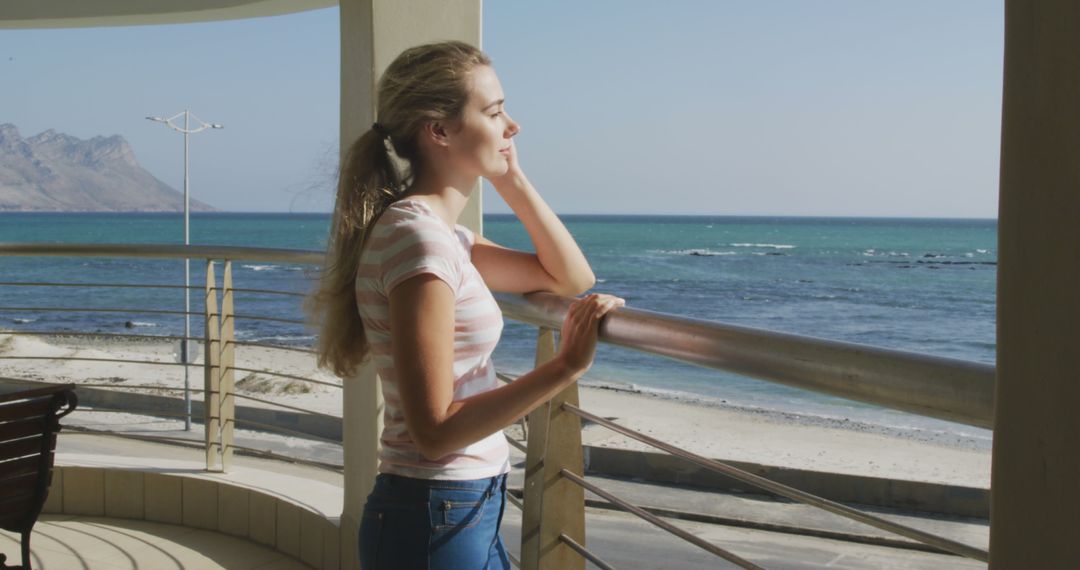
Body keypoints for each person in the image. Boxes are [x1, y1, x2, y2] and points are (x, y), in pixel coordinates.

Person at [308, 40, 624, 569]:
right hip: (435, 516)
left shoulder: (444, 237)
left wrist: (513, 178)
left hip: (453, 511)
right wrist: (566, 366)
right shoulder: (420, 243)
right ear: (439, 131)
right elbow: (434, 432)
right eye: (495, 111)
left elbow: (571, 277)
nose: (513, 126)